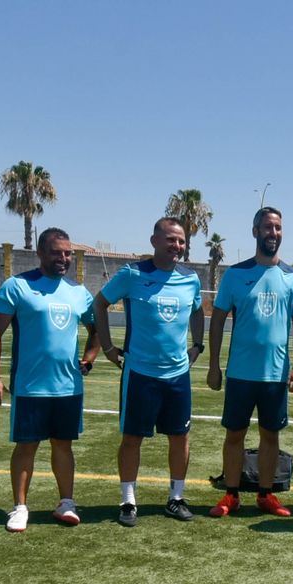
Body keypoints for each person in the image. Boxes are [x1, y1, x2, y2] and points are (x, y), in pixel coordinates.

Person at [0, 228, 99, 532]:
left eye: (68, 253)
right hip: (30, 386)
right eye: (56, 252)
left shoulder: (79, 292)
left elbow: (96, 328)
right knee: (26, 446)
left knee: (64, 445)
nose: (64, 258)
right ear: (40, 253)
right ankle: (20, 507)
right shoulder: (17, 286)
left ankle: (66, 503)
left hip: (68, 387)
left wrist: (89, 358)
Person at [93, 218, 205, 526]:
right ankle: (128, 501)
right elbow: (99, 304)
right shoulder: (132, 274)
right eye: (170, 239)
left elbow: (198, 310)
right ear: (154, 241)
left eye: (181, 241)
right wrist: (107, 347)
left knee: (180, 437)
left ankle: (176, 498)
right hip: (140, 373)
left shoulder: (190, 279)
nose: (176, 246)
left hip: (178, 375)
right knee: (132, 438)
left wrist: (198, 345)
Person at [205, 207, 293, 518]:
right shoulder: (235, 275)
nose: (273, 233)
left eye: (277, 227)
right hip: (240, 373)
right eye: (267, 227)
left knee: (270, 436)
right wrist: (213, 365)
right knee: (234, 435)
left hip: (275, 375)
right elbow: (218, 319)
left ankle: (265, 494)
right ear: (255, 232)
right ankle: (231, 494)